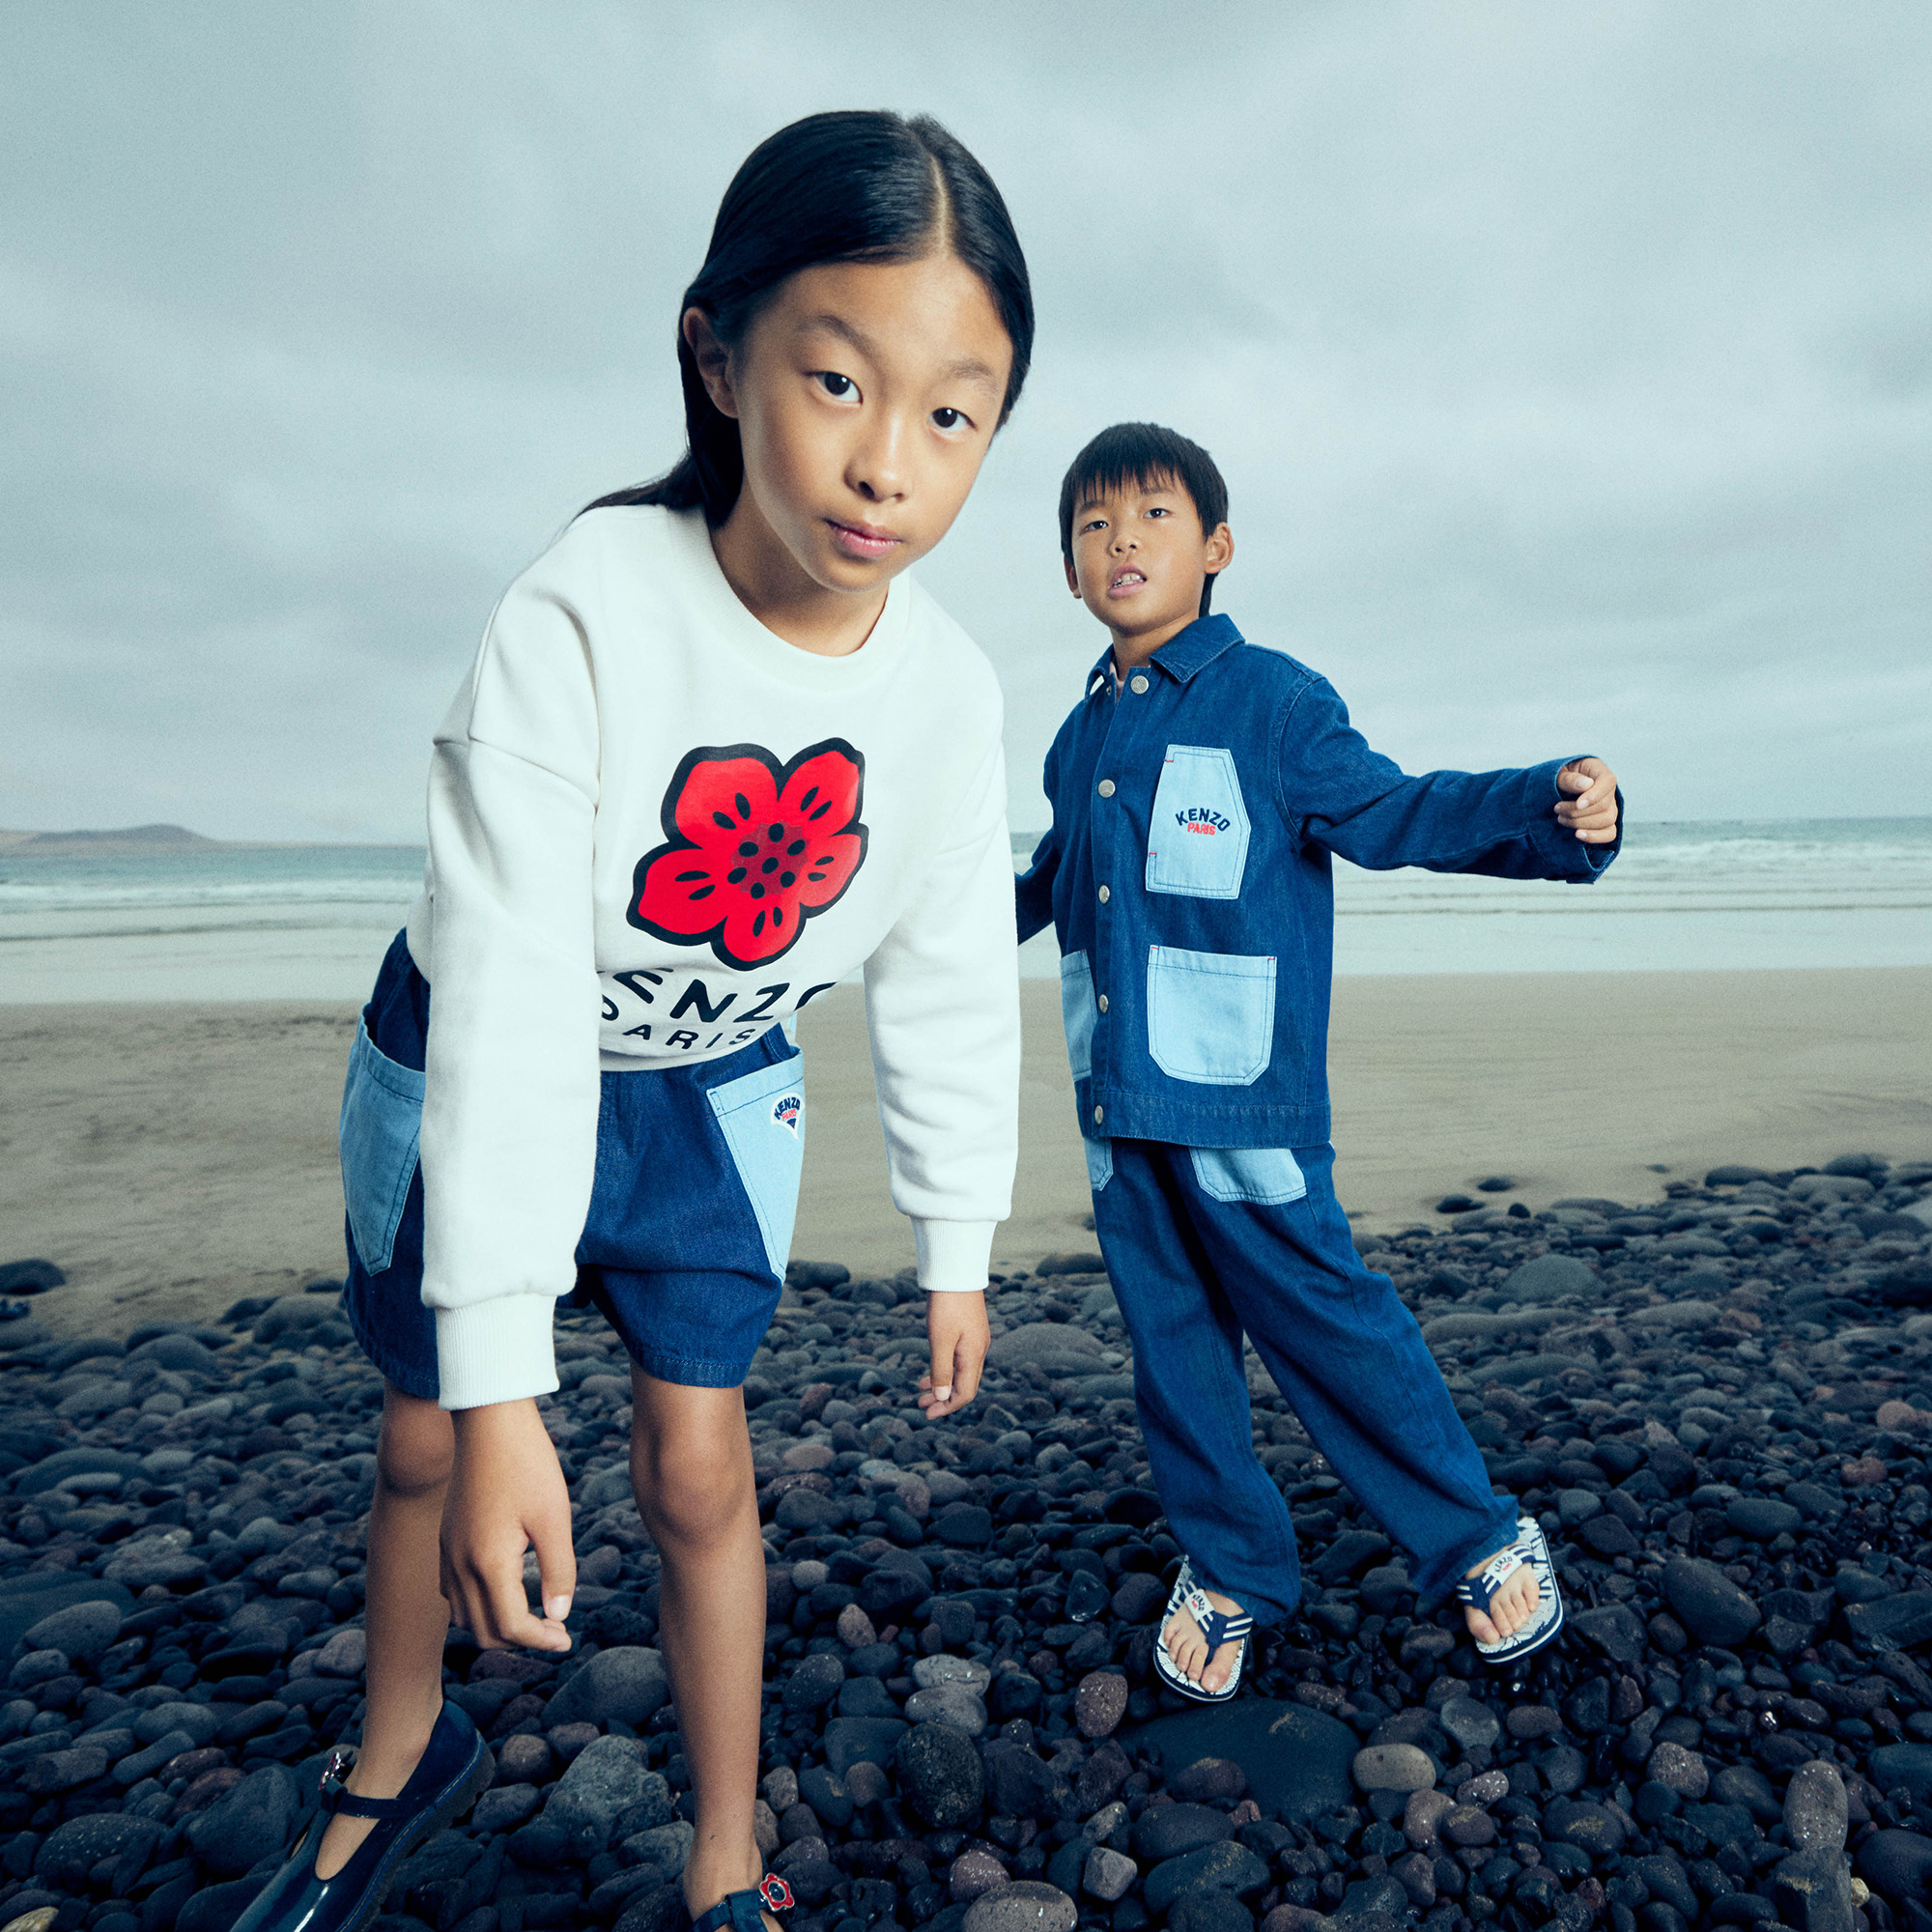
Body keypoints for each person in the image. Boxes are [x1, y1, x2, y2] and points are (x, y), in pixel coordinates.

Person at [240, 111, 1033, 1932]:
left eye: (952, 411)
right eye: (837, 378)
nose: (885, 462)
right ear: (718, 353)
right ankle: (395, 1760)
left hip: (711, 1082)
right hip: (472, 1051)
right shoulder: (581, 617)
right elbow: (515, 982)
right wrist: (505, 1372)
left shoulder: (950, 697)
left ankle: (725, 1855)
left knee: (698, 1461)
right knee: (429, 1438)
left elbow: (940, 961)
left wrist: (956, 1237)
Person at [1015, 422, 1623, 1701]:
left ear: (1217, 546)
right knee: (1173, 1345)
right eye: (1092, 526)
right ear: (1069, 570)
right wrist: (862, 929)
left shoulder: (1275, 702)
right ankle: (1233, 1566)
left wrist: (1542, 807)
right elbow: (1053, 885)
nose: (1121, 541)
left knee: (1329, 1320)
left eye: (1153, 517)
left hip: (1245, 1101)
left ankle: (1471, 1536)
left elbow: (1394, 807)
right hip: (1119, 1105)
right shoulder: (1079, 742)